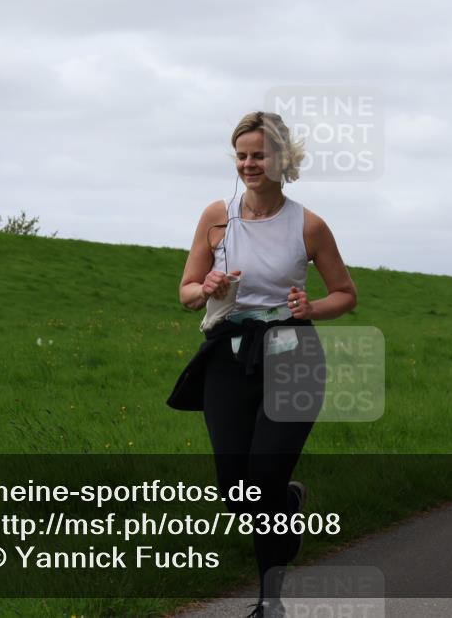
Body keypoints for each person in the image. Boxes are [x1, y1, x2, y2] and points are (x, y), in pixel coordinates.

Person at [172, 111, 357, 617]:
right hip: (229, 356)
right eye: (242, 156)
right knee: (237, 492)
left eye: (259, 155)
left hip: (292, 353)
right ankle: (289, 505)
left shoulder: (309, 225)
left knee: (264, 478)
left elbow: (345, 294)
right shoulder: (217, 217)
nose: (249, 164)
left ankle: (269, 601)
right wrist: (205, 287)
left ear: (283, 159)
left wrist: (312, 307)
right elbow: (186, 292)